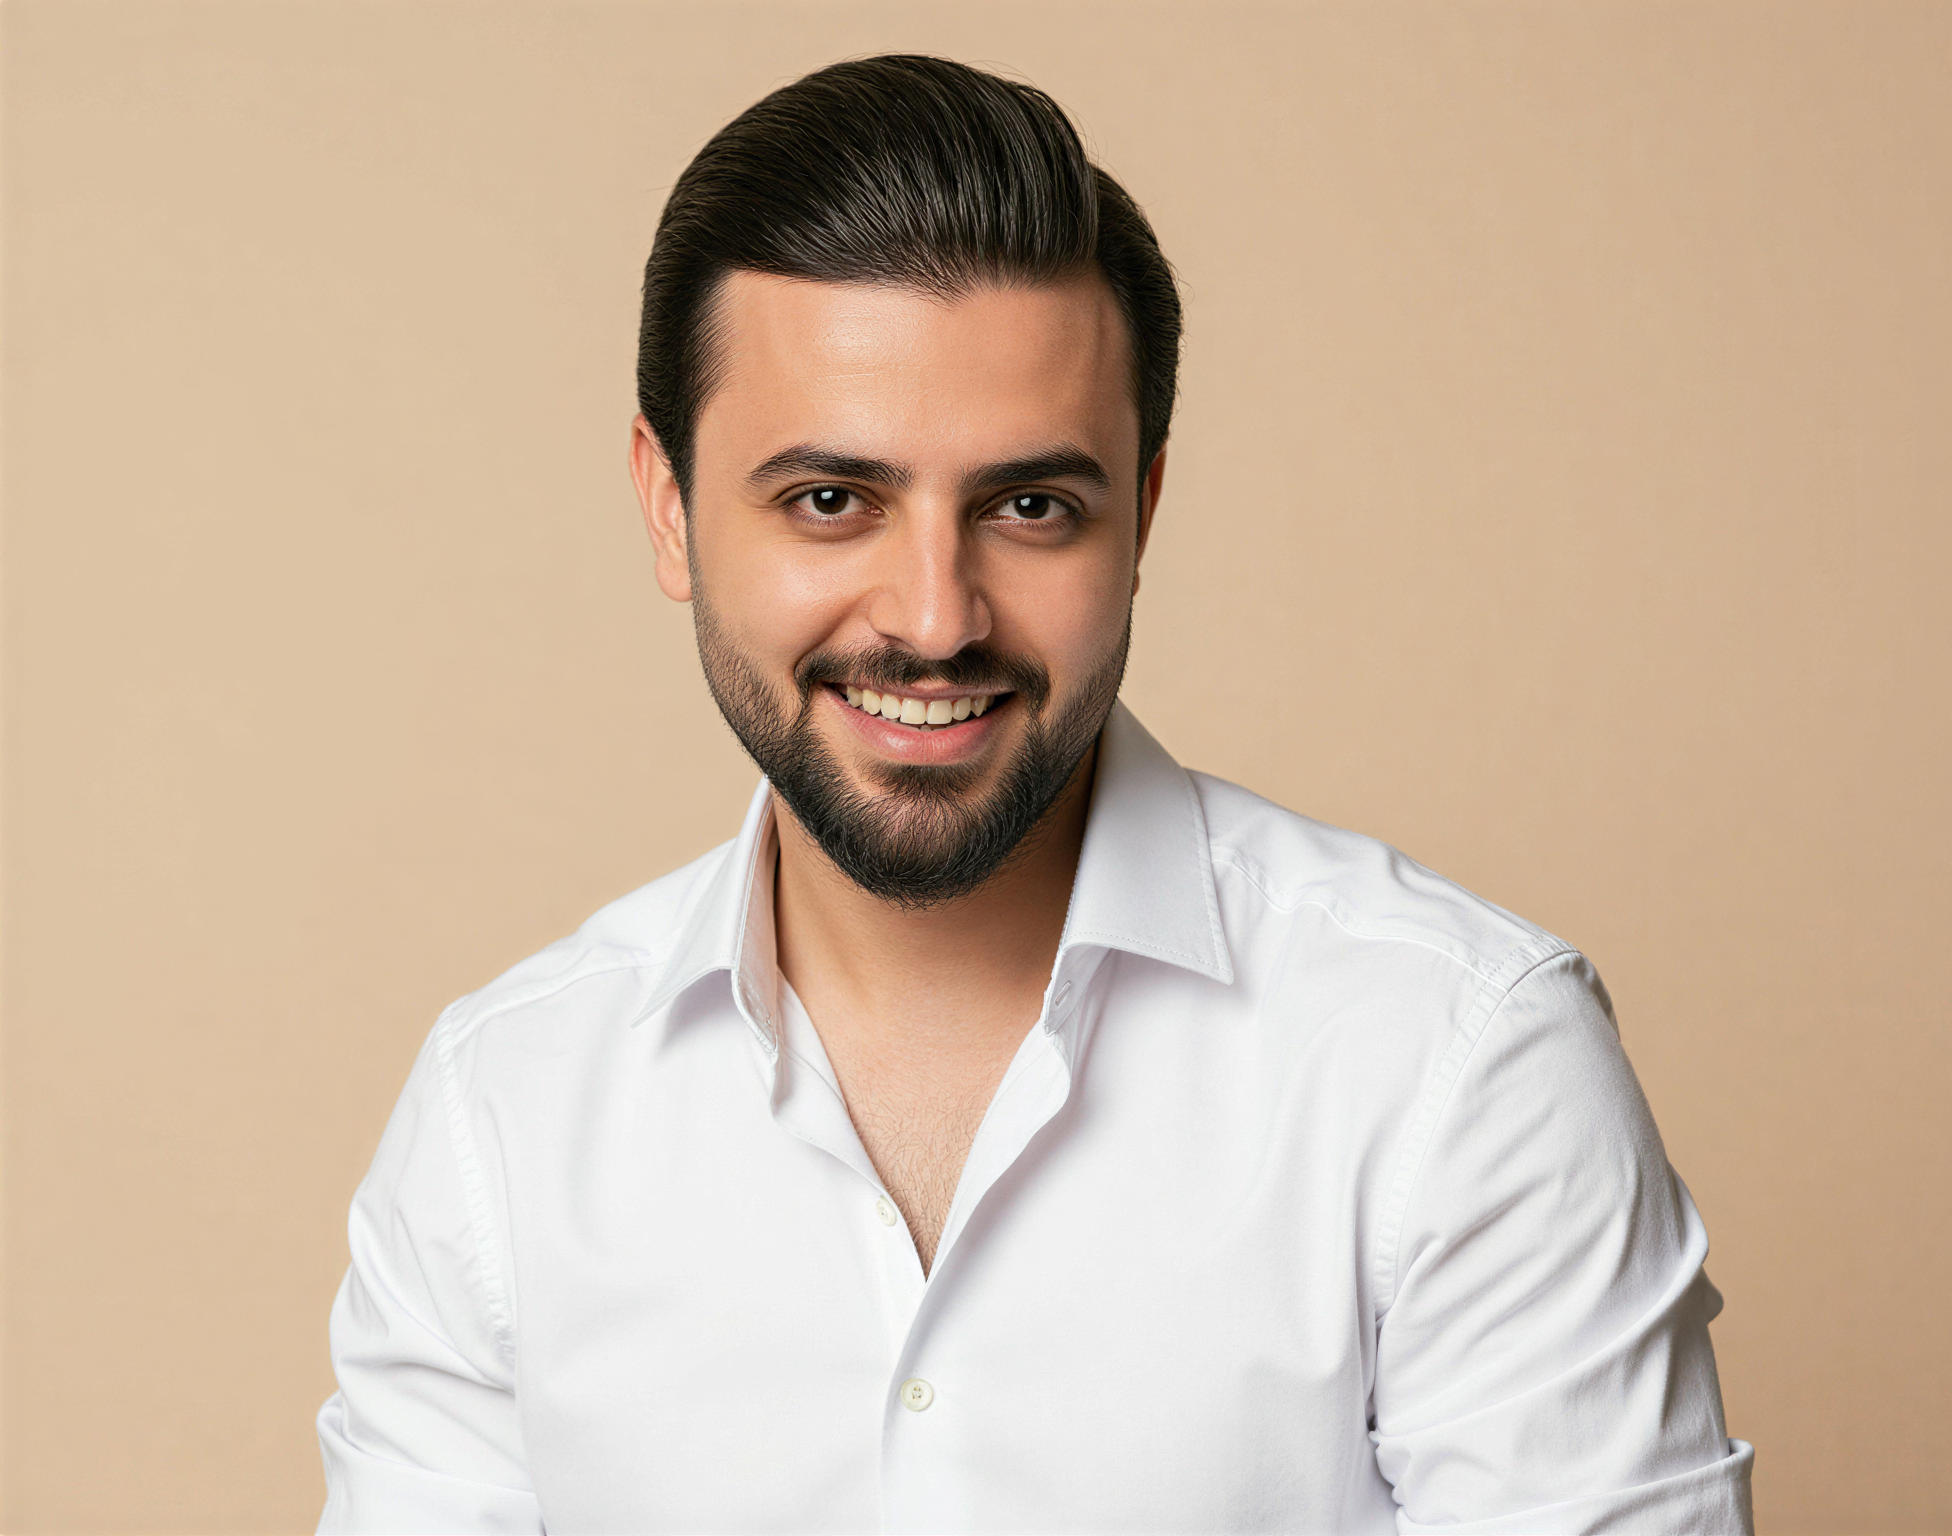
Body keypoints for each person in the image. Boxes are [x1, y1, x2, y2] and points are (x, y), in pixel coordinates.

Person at [315, 53, 1753, 1534]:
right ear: (669, 505)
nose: (935, 619)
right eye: (830, 500)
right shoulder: (501, 1116)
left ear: (1144, 514)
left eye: (1029, 506)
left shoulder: (1456, 1066)